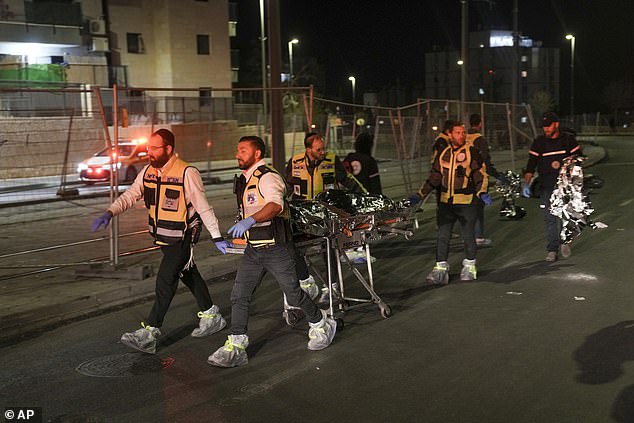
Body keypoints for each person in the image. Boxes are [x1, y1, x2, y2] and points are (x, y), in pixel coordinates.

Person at [90, 129, 231, 354]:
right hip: (164, 238)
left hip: (182, 238)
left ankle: (150, 332)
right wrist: (110, 212)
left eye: (155, 149)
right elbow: (131, 195)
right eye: (148, 148)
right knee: (188, 273)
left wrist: (217, 236)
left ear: (168, 149)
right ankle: (212, 315)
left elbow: (203, 207)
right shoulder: (148, 172)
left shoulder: (187, 173)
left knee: (165, 281)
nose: (149, 153)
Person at [207, 136, 336, 368]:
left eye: (243, 150)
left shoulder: (268, 177)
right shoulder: (245, 180)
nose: (238, 154)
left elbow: (275, 205)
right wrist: (237, 236)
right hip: (253, 251)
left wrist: (249, 221)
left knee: (294, 294)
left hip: (277, 248)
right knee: (239, 295)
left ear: (257, 154)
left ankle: (321, 324)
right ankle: (237, 344)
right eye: (238, 150)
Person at [285, 132, 367, 302]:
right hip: (301, 214)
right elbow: (285, 187)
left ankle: (332, 287)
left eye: (323, 148)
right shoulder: (295, 162)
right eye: (318, 149)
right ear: (308, 150)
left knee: (328, 250)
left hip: (326, 214)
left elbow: (348, 181)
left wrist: (365, 197)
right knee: (294, 248)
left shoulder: (332, 160)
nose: (323, 152)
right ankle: (307, 284)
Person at [413, 121, 490, 284]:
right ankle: (440, 269)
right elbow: (435, 176)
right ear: (450, 134)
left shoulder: (473, 152)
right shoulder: (443, 153)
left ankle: (470, 266)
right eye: (457, 132)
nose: (461, 135)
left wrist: (482, 192)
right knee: (442, 236)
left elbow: (480, 175)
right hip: (445, 203)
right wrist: (421, 194)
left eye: (463, 132)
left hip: (466, 202)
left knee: (468, 235)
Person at [522, 112, 582, 262]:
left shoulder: (568, 141)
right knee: (549, 219)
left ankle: (566, 242)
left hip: (566, 186)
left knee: (567, 217)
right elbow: (531, 164)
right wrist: (526, 183)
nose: (546, 129)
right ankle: (552, 250)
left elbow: (579, 160)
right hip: (546, 186)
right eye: (544, 127)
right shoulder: (539, 142)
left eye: (549, 126)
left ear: (556, 124)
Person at [466, 113, 506, 247]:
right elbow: (485, 162)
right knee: (478, 209)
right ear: (480, 123)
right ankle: (478, 237)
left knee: (466, 209)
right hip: (478, 179)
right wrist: (497, 175)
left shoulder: (464, 137)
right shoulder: (479, 139)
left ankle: (467, 236)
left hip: (464, 178)